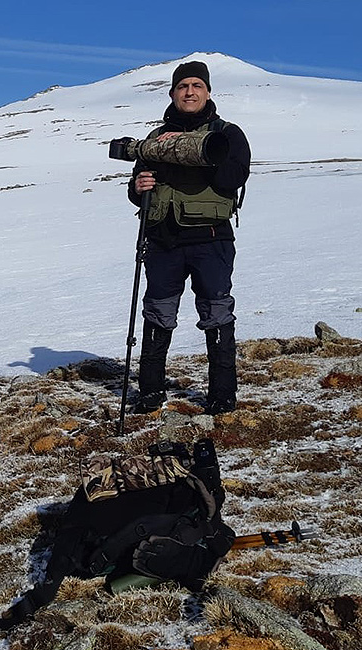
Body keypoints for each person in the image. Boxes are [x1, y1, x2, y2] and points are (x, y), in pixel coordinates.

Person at [127, 61, 251, 415]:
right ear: (173, 93)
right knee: (157, 312)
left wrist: (187, 148)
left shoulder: (228, 134)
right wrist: (137, 188)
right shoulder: (153, 140)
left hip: (211, 239)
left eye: (197, 85)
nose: (190, 92)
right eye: (183, 86)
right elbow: (140, 190)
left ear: (208, 92)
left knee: (216, 312)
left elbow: (232, 177)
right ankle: (150, 392)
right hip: (163, 238)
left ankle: (222, 397)